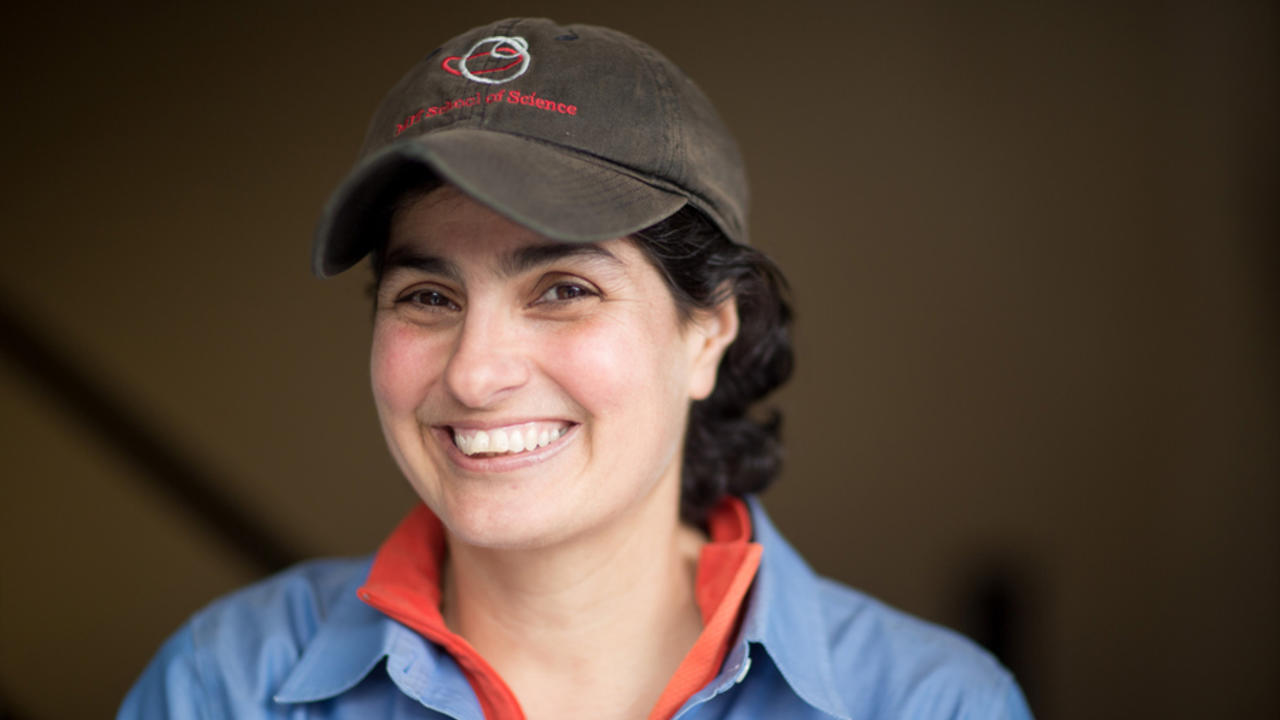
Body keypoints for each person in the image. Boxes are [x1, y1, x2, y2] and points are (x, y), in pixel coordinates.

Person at [119, 18, 1033, 720]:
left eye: (562, 289)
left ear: (709, 333)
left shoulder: (928, 702)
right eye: (428, 298)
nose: (475, 376)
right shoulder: (226, 682)